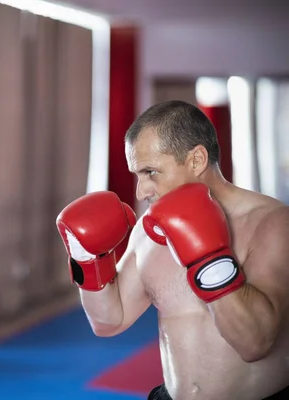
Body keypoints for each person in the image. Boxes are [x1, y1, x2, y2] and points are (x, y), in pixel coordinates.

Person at [56, 100, 289, 400]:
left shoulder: (272, 224)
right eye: (136, 175)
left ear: (196, 160)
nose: (141, 191)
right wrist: (87, 260)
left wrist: (210, 259)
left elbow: (256, 343)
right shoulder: (148, 232)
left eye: (151, 172)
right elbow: (109, 321)